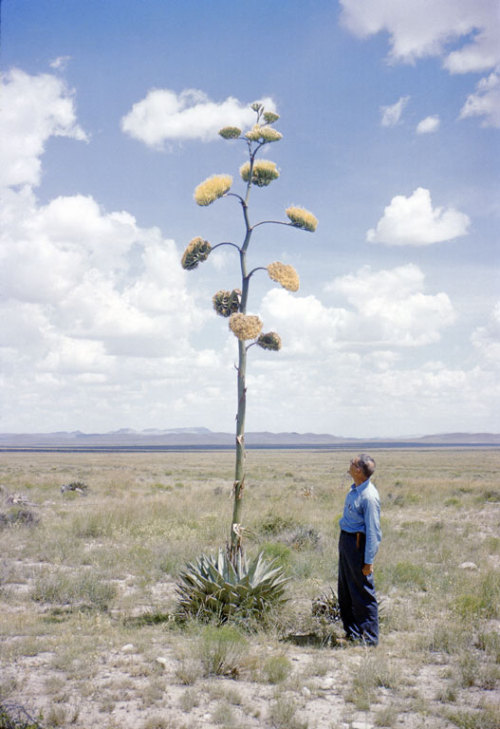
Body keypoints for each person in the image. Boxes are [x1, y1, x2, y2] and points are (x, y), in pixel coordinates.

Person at [338, 453, 381, 646]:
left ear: (358, 470)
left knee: (363, 591)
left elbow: (373, 531)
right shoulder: (354, 490)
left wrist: (368, 561)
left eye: (352, 463)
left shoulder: (369, 497)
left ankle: (370, 639)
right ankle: (353, 633)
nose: (349, 464)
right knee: (346, 589)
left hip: (358, 544)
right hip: (346, 540)